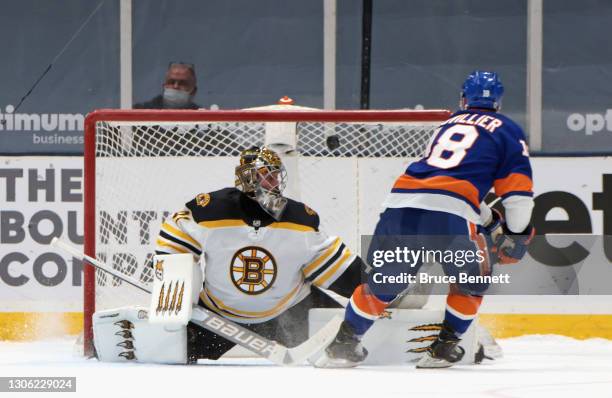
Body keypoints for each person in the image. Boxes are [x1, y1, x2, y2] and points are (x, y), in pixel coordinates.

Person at [317, 70, 535, 369]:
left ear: (463, 98)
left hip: (400, 204)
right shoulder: (508, 130)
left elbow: (445, 182)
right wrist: (516, 234)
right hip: (450, 216)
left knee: (380, 286)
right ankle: (443, 349)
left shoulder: (446, 125)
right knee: (472, 282)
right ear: (498, 102)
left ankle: (342, 347)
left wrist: (489, 218)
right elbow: (518, 199)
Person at [148, 146, 363, 362]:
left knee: (354, 344)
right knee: (167, 354)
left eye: (276, 176)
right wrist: (169, 266)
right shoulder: (211, 211)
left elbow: (336, 268)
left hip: (289, 308)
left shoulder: (300, 219)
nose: (275, 183)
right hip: (217, 315)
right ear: (247, 178)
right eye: (267, 176)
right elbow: (176, 239)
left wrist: (378, 288)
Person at [134, 62, 200, 109]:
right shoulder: (142, 112)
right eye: (171, 82)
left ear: (193, 91)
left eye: (182, 83)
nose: (175, 86)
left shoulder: (202, 121)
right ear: (164, 87)